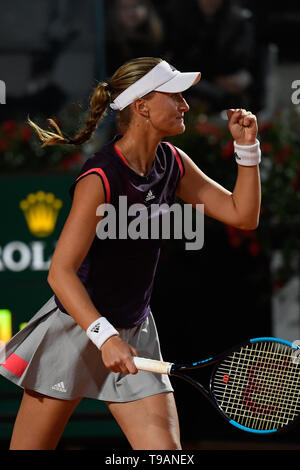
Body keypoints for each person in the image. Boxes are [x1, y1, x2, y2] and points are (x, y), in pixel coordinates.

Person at [0, 57, 261, 450]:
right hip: (77, 330)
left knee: (165, 455)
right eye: (174, 96)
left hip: (136, 332)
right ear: (141, 105)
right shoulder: (101, 176)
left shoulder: (171, 162)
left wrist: (247, 149)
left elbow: (242, 215)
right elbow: (61, 273)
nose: (185, 105)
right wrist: (105, 338)